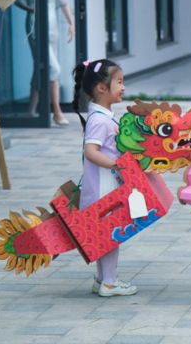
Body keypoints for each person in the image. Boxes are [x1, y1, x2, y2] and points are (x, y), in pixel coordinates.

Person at [71, 59, 137, 297]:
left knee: (104, 235)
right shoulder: (99, 120)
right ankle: (109, 282)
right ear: (101, 88)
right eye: (119, 82)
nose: (123, 87)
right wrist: (117, 163)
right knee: (111, 235)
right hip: (104, 189)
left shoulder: (102, 116)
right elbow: (91, 152)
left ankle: (101, 279)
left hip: (102, 187)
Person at [29, 0, 75, 125]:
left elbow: (63, 0)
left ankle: (31, 110)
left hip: (52, 24)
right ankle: (56, 111)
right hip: (35, 24)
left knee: (40, 69)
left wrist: (71, 22)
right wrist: (31, 9)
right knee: (53, 68)